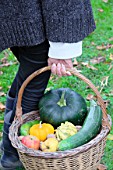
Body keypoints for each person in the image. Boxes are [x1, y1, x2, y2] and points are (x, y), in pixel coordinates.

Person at [0, 0, 96, 169]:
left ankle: (10, 148)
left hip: (12, 14)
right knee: (32, 84)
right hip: (28, 17)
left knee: (27, 77)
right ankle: (13, 156)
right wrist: (62, 46)